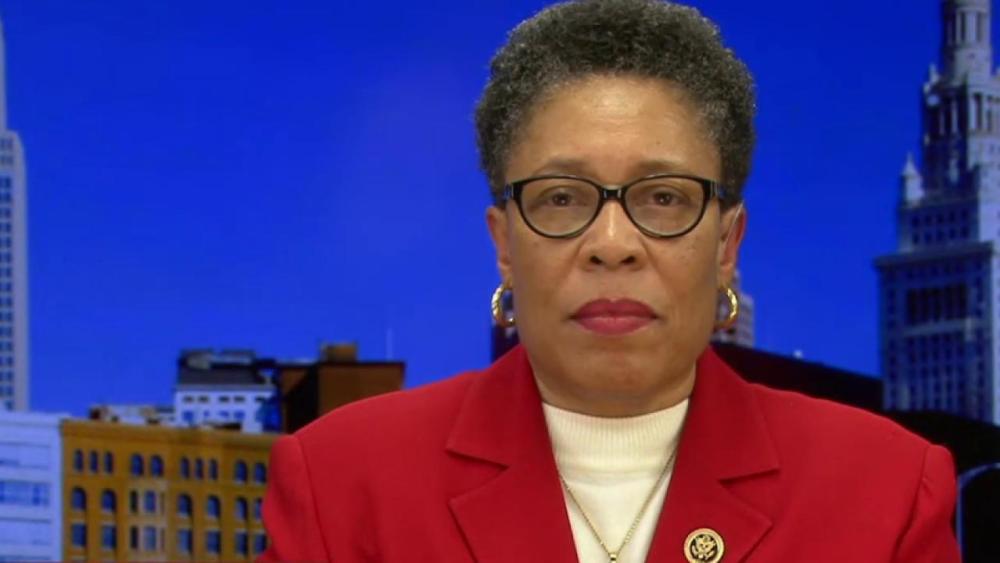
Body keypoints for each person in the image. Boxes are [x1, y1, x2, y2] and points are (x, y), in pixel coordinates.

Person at [261, 1, 961, 561]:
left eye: (664, 197)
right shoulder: (343, 483)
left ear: (727, 244)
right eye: (562, 198)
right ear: (504, 244)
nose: (613, 245)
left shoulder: (885, 490)